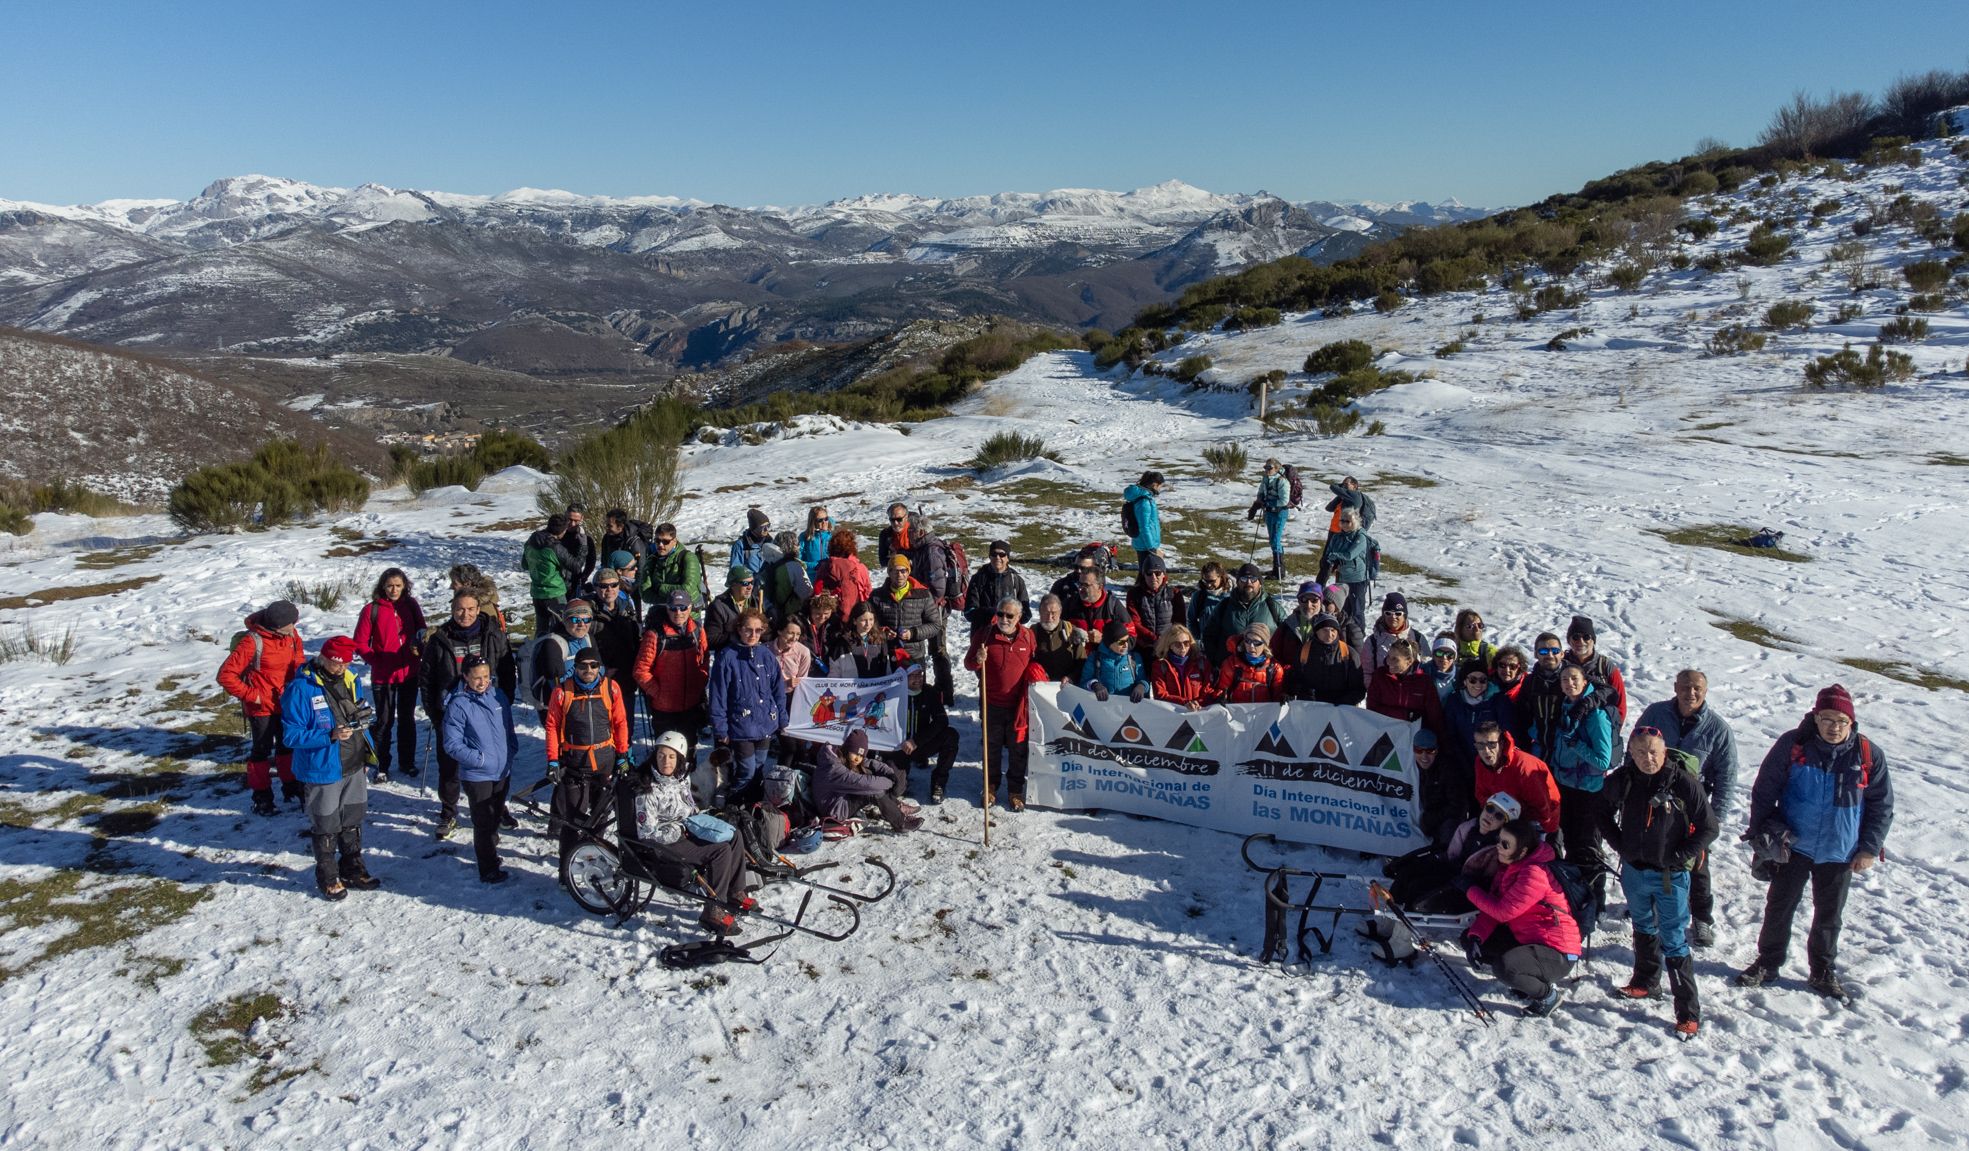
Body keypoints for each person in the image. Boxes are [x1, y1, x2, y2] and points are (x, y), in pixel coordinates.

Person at [1736, 685, 1894, 998]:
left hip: (1840, 850)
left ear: (1851, 722)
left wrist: (1869, 848)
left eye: (1841, 721)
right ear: (1815, 717)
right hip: (1793, 845)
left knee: (1829, 915)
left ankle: (1822, 971)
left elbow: (1881, 805)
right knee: (1779, 906)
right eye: (1827, 719)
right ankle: (1768, 962)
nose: (1834, 727)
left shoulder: (1866, 754)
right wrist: (1759, 834)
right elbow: (1765, 790)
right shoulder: (1793, 745)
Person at [1598, 727, 1718, 1036]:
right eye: (1640, 752)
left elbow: (1709, 827)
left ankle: (1688, 1012)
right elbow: (1600, 812)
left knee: (1674, 937)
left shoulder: (1682, 783)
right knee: (1642, 925)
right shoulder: (1624, 779)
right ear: (1631, 754)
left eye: (1653, 752)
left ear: (1664, 752)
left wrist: (1680, 856)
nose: (1647, 758)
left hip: (1670, 876)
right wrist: (1619, 844)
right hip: (1635, 871)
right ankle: (1645, 982)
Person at [1636, 669, 1740, 948]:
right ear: (1675, 687)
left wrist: (1714, 819)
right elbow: (1636, 748)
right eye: (1685, 687)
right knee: (1652, 854)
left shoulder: (1717, 729)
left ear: (1705, 691)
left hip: (1693, 809)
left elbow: (1726, 777)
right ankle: (1651, 905)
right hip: (1654, 803)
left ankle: (1702, 916)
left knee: (1697, 864)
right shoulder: (1656, 714)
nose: (1690, 693)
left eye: (1696, 688)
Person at [617, 730, 751, 936]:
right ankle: (712, 910)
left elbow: (689, 805)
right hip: (664, 843)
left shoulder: (681, 778)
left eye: (671, 757)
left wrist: (704, 821)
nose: (666, 761)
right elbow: (647, 834)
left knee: (734, 835)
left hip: (685, 827)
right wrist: (679, 829)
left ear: (679, 759)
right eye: (661, 755)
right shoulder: (647, 788)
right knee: (720, 851)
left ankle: (735, 891)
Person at [282, 635, 378, 900]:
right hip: (323, 768)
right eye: (337, 663)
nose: (341, 668)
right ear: (323, 658)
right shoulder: (301, 688)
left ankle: (353, 868)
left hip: (354, 763)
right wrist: (328, 736)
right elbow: (290, 736)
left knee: (352, 820)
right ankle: (328, 875)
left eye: (346, 663)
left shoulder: (351, 679)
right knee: (326, 825)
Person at [1460, 816, 1583, 1016]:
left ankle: (1547, 997)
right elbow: (1493, 909)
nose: (1498, 846)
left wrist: (1470, 889)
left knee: (1506, 968)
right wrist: (1476, 936)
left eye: (1505, 844)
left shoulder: (1534, 874)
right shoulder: (1508, 868)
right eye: (1499, 840)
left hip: (1556, 952)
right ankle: (1526, 979)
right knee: (1471, 939)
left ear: (1523, 851)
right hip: (1528, 940)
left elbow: (1503, 911)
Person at [420, 591, 517, 840]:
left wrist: (503, 703)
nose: (466, 614)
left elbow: (507, 668)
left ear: (478, 609)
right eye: (460, 609)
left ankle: (498, 807)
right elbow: (427, 679)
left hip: (487, 707)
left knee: (496, 763)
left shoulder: (492, 633)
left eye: (471, 609)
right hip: (453, 709)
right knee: (450, 765)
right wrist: (435, 714)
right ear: (453, 609)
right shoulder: (441, 638)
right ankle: (449, 811)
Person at [217, 598, 308, 816]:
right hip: (261, 708)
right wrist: (253, 696)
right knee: (261, 751)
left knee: (287, 745)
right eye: (290, 624)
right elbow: (226, 675)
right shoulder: (253, 641)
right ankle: (262, 797)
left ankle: (291, 786)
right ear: (277, 625)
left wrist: (300, 682)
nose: (294, 628)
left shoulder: (291, 636)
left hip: (286, 702)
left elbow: (298, 660)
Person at [545, 650, 630, 871]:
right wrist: (553, 760)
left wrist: (622, 756)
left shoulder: (611, 689)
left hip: (604, 763)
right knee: (572, 822)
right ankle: (566, 869)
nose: (588, 670)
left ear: (599, 667)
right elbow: (552, 726)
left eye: (594, 665)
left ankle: (593, 858)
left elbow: (620, 723)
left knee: (601, 817)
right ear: (576, 667)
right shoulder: (562, 692)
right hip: (575, 764)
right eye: (583, 666)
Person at [442, 655, 519, 883]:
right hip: (477, 774)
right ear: (465, 677)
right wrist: (479, 759)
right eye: (476, 677)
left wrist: (511, 749)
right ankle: (487, 868)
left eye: (486, 676)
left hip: (502, 769)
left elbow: (508, 727)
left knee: (496, 815)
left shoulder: (498, 696)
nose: (482, 681)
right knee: (483, 821)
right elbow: (452, 744)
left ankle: (490, 852)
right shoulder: (459, 704)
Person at [965, 597, 1048, 810]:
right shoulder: (984, 635)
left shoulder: (1028, 637)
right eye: (1000, 614)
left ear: (1019, 617)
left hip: (1018, 707)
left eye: (1009, 615)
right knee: (991, 748)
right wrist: (978, 659)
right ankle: (990, 787)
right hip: (991, 703)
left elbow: (1037, 662)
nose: (1004, 619)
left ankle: (1015, 791)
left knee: (1017, 749)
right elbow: (968, 663)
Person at [1539, 664, 1616, 871]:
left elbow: (1603, 760)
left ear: (1585, 682)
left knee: (1586, 848)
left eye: (1574, 679)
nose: (1569, 683)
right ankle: (1574, 892)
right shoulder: (1567, 706)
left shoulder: (1596, 716)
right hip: (1565, 786)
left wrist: (1575, 744)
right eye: (1564, 679)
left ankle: (1594, 896)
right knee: (1570, 842)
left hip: (1588, 792)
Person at [705, 609, 786, 806]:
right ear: (739, 629)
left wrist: (782, 718)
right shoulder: (727, 657)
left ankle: (752, 806)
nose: (753, 635)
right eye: (748, 630)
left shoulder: (766, 655)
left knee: (759, 767)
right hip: (740, 725)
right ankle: (732, 804)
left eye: (758, 631)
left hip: (765, 723)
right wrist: (720, 727)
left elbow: (778, 690)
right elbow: (718, 694)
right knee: (747, 770)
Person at [1385, 790, 1514, 913]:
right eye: (1490, 809)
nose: (1490, 816)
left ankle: (1403, 923)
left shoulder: (1497, 848)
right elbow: (1451, 854)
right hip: (1451, 868)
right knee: (1409, 870)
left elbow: (1486, 880)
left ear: (1504, 823)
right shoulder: (1468, 827)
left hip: (1464, 883)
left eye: (1498, 815)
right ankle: (1389, 906)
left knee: (1417, 886)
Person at [877, 504, 956, 705]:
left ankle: (944, 694)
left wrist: (921, 598)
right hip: (915, 602)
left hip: (933, 606)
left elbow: (938, 588)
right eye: (892, 520)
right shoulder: (915, 546)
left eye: (900, 520)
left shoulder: (930, 550)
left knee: (937, 649)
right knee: (920, 648)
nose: (908, 535)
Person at [352, 568, 425, 782]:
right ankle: (382, 765)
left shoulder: (411, 606)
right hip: (383, 676)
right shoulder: (371, 610)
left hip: (409, 673)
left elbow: (422, 630)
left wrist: (418, 648)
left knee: (407, 719)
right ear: (382, 586)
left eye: (398, 586)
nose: (394, 590)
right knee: (384, 721)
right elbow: (360, 643)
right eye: (390, 585)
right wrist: (378, 661)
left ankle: (407, 762)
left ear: (405, 586)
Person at [634, 591, 710, 762]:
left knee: (689, 746)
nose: (678, 613)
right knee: (665, 752)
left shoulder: (697, 631)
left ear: (690, 608)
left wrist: (699, 684)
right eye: (673, 608)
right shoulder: (655, 635)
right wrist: (658, 693)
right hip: (664, 708)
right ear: (667, 609)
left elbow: (704, 661)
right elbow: (640, 670)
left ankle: (688, 781)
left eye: (683, 608)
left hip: (690, 704)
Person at [816, 730, 922, 833]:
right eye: (855, 753)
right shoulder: (835, 769)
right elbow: (866, 783)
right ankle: (901, 823)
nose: (858, 758)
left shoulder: (842, 756)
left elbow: (870, 763)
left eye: (861, 755)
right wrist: (891, 782)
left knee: (868, 772)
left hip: (840, 797)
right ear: (847, 749)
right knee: (872, 792)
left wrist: (891, 774)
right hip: (834, 810)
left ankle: (895, 807)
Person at [1469, 720, 1560, 836]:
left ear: (1501, 744)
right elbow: (1481, 793)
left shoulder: (1524, 767)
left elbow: (1542, 810)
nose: (1486, 751)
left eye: (1491, 744)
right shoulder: (1480, 762)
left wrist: (1508, 818)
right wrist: (1493, 813)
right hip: (1501, 818)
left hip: (1539, 824)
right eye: (1480, 745)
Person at [1364, 638, 1447, 742]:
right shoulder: (1380, 676)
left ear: (1409, 661)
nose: (1389, 662)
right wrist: (1405, 715)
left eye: (1395, 659)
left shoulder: (1424, 682)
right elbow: (1372, 709)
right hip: (1384, 735)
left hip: (1413, 738)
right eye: (1389, 656)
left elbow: (1434, 716)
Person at [897, 663, 959, 801]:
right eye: (912, 676)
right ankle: (899, 778)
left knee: (951, 735)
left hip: (920, 745)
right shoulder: (895, 693)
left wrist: (916, 741)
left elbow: (942, 720)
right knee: (896, 790)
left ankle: (939, 782)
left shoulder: (929, 692)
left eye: (920, 675)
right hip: (898, 748)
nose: (917, 679)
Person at [870, 555, 943, 671]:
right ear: (889, 572)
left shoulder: (923, 594)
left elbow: (935, 625)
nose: (899, 575)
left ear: (908, 572)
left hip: (913, 654)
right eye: (895, 571)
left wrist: (912, 633)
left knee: (915, 689)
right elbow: (870, 624)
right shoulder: (877, 595)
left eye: (903, 571)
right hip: (886, 654)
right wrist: (882, 633)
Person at [525, 599, 599, 709]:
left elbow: (601, 668)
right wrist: (589, 674)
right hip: (557, 706)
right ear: (565, 621)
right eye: (575, 620)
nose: (581, 624)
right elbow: (558, 682)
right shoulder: (553, 644)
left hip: (584, 701)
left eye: (587, 619)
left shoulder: (588, 638)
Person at [1441, 662, 1513, 771]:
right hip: (1462, 761)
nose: (1478, 684)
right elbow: (1450, 733)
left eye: (1483, 680)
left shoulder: (1498, 700)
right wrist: (1460, 761)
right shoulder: (1455, 701)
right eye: (1473, 680)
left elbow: (1507, 732)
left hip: (1492, 761)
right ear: (1465, 681)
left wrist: (1499, 761)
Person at [1410, 728, 1474, 848]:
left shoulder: (1448, 770)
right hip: (1424, 814)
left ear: (1437, 750)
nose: (1424, 756)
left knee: (1448, 829)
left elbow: (1458, 805)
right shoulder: (1410, 767)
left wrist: (1432, 818)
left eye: (1430, 751)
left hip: (1445, 817)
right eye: (1419, 750)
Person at [1284, 613, 1366, 707]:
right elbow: (1293, 680)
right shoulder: (1304, 651)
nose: (1329, 634)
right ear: (1317, 631)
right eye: (1324, 630)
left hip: (1341, 711)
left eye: (1333, 630)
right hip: (1310, 707)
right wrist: (1303, 693)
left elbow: (1359, 688)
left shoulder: (1349, 653)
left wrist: (1344, 701)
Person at [1316, 508, 1377, 633]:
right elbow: (1328, 553)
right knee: (1342, 608)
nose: (1343, 523)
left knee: (1357, 610)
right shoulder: (1337, 536)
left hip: (1357, 579)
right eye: (1342, 520)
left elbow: (1350, 555)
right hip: (1341, 578)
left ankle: (1359, 635)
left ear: (1354, 522)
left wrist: (1334, 555)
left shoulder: (1361, 537)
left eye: (1347, 521)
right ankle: (1344, 633)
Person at [1563, 615, 1628, 729]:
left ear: (1593, 640)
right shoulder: (1562, 664)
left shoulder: (1606, 667)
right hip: (1565, 727)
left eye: (1586, 637)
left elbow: (1620, 704)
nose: (1581, 641)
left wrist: (1613, 730)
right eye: (1575, 637)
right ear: (1569, 640)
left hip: (1598, 728)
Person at [523, 513, 580, 633]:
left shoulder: (531, 542)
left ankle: (539, 650)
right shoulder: (554, 547)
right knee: (563, 627)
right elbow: (576, 567)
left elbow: (524, 564)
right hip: (554, 592)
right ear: (563, 530)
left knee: (541, 630)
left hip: (537, 593)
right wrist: (583, 546)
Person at [1216, 563, 1287, 658]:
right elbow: (1210, 634)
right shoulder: (1224, 606)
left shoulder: (1272, 606)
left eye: (1253, 579)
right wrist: (1216, 660)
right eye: (1244, 579)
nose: (1248, 582)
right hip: (1231, 668)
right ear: (1237, 582)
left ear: (1260, 583)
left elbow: (1287, 635)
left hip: (1265, 668)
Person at [1514, 632, 1567, 756]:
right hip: (1538, 748)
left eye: (1555, 651)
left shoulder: (1573, 678)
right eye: (1543, 651)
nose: (1549, 655)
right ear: (1536, 654)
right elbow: (1523, 717)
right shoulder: (1530, 682)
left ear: (1562, 654)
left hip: (1565, 750)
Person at [965, 539, 1031, 635]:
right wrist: (992, 613)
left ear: (1007, 558)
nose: (997, 557)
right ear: (989, 556)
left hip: (1009, 636)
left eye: (1002, 554)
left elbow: (1026, 614)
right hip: (982, 634)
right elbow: (969, 612)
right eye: (994, 554)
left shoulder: (1016, 580)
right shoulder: (978, 579)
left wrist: (1008, 618)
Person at [1062, 560, 1128, 649]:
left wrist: (1104, 639)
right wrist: (1071, 630)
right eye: (1080, 584)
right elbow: (1054, 629)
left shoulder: (1113, 606)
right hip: (1076, 659)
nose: (1080, 589)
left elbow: (1130, 639)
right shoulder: (1069, 603)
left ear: (1100, 587)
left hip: (1105, 660)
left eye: (1086, 585)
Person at [1149, 624, 1216, 710]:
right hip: (1173, 716)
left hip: (1199, 713)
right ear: (1169, 645)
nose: (1183, 648)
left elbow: (1208, 690)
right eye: (1177, 644)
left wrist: (1197, 703)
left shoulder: (1201, 663)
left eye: (1186, 643)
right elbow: (1160, 694)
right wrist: (1184, 703)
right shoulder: (1160, 666)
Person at [1081, 619, 1149, 702]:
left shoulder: (1134, 658)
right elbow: (1084, 682)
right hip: (1103, 708)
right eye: (1121, 642)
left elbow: (1144, 680)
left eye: (1127, 640)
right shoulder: (1095, 658)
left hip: (1129, 708)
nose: (1126, 645)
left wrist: (1141, 686)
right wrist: (1095, 685)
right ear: (1110, 643)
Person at [1215, 623, 1286, 704]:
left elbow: (1277, 693)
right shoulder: (1231, 664)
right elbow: (1222, 689)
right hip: (1236, 714)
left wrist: (1282, 697)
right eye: (1248, 641)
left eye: (1256, 642)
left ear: (1265, 645)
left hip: (1264, 714)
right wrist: (1220, 697)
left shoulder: (1274, 669)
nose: (1251, 646)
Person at [813, 528, 872, 624]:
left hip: (831, 615)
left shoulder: (826, 566)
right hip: (856, 616)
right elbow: (868, 592)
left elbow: (817, 588)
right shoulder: (860, 568)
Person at [1246, 457, 1292, 581]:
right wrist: (1260, 500)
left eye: (1269, 468)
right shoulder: (1266, 479)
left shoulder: (1283, 482)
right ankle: (1277, 568)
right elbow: (1261, 491)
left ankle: (1279, 572)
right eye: (1265, 467)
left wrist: (1268, 503)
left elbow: (1284, 501)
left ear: (1277, 469)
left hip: (1279, 514)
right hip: (1269, 513)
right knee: (1273, 541)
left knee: (1276, 541)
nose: (1266, 470)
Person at [832, 601, 903, 678]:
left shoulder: (880, 639)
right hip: (853, 688)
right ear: (854, 621)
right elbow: (835, 670)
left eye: (871, 619)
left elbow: (887, 667)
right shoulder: (845, 641)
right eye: (863, 620)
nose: (868, 624)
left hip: (875, 688)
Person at [642, 523, 703, 612]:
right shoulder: (652, 560)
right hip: (661, 615)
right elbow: (645, 594)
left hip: (686, 615)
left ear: (674, 541)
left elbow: (688, 590)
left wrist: (660, 589)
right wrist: (670, 602)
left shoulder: (688, 558)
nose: (661, 545)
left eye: (665, 541)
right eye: (657, 541)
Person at [1362, 591, 1416, 686]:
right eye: (1388, 613)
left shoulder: (1416, 637)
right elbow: (1366, 672)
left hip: (1410, 693)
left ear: (1405, 615)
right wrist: (1374, 692)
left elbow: (1425, 669)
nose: (1393, 617)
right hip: (1383, 694)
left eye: (1398, 613)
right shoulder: (1372, 641)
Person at [1272, 581, 1327, 669]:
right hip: (1292, 677)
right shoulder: (1287, 625)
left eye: (1314, 600)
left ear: (1321, 601)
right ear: (1298, 601)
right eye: (1304, 599)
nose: (1309, 605)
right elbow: (1274, 653)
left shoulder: (1330, 625)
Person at [1187, 561, 1234, 663]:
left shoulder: (1233, 595)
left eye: (1212, 581)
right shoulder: (1199, 596)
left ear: (1221, 576)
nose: (1208, 585)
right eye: (1205, 581)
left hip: (1229, 647)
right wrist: (1197, 639)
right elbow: (1191, 620)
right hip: (1206, 647)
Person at [1030, 594, 1082, 683]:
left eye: (1053, 613)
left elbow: (1081, 661)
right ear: (1039, 612)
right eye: (1045, 613)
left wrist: (1071, 677)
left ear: (1060, 612)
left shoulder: (1071, 631)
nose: (1049, 617)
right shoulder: (1032, 632)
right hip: (1041, 687)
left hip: (1067, 687)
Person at [704, 568, 758, 653]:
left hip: (754, 655)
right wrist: (737, 636)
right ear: (733, 585)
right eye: (745, 583)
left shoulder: (756, 602)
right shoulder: (718, 607)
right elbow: (710, 640)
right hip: (729, 656)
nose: (750, 587)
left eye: (752, 583)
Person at [1122, 470, 1165, 560]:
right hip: (1146, 545)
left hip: (1144, 542)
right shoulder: (1144, 502)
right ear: (1155, 484)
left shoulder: (1145, 498)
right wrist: (1151, 547)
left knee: (1145, 572)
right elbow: (1144, 526)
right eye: (1160, 486)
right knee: (1147, 572)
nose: (1160, 489)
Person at [601, 509, 654, 576]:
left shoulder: (634, 540)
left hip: (631, 578)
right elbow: (604, 561)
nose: (607, 528)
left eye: (610, 526)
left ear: (620, 526)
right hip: (615, 576)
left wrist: (636, 585)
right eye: (606, 525)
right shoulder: (606, 538)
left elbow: (641, 566)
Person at [1319, 583, 1366, 654]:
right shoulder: (1318, 621)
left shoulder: (1350, 628)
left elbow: (1359, 657)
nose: (1322, 605)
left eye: (1327, 602)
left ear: (1337, 606)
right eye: (1322, 601)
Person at [562, 503, 599, 588]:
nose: (572, 524)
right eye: (570, 519)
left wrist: (583, 577)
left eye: (576, 520)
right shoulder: (556, 535)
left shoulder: (586, 540)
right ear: (565, 515)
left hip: (574, 583)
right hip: (555, 583)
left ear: (582, 519)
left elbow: (591, 563)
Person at [730, 508, 774, 576]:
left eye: (768, 525)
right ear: (754, 528)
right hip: (749, 585)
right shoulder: (741, 545)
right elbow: (736, 571)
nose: (766, 529)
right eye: (762, 527)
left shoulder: (771, 543)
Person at [798, 506, 832, 578]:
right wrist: (817, 566)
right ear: (813, 521)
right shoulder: (804, 537)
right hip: (812, 578)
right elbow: (799, 562)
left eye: (826, 519)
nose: (824, 522)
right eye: (820, 520)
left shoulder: (831, 537)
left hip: (829, 579)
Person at [1427, 634, 1461, 700]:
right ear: (1433, 655)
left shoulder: (1461, 676)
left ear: (1455, 657)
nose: (1444, 658)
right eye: (1439, 653)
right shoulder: (1423, 672)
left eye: (1450, 654)